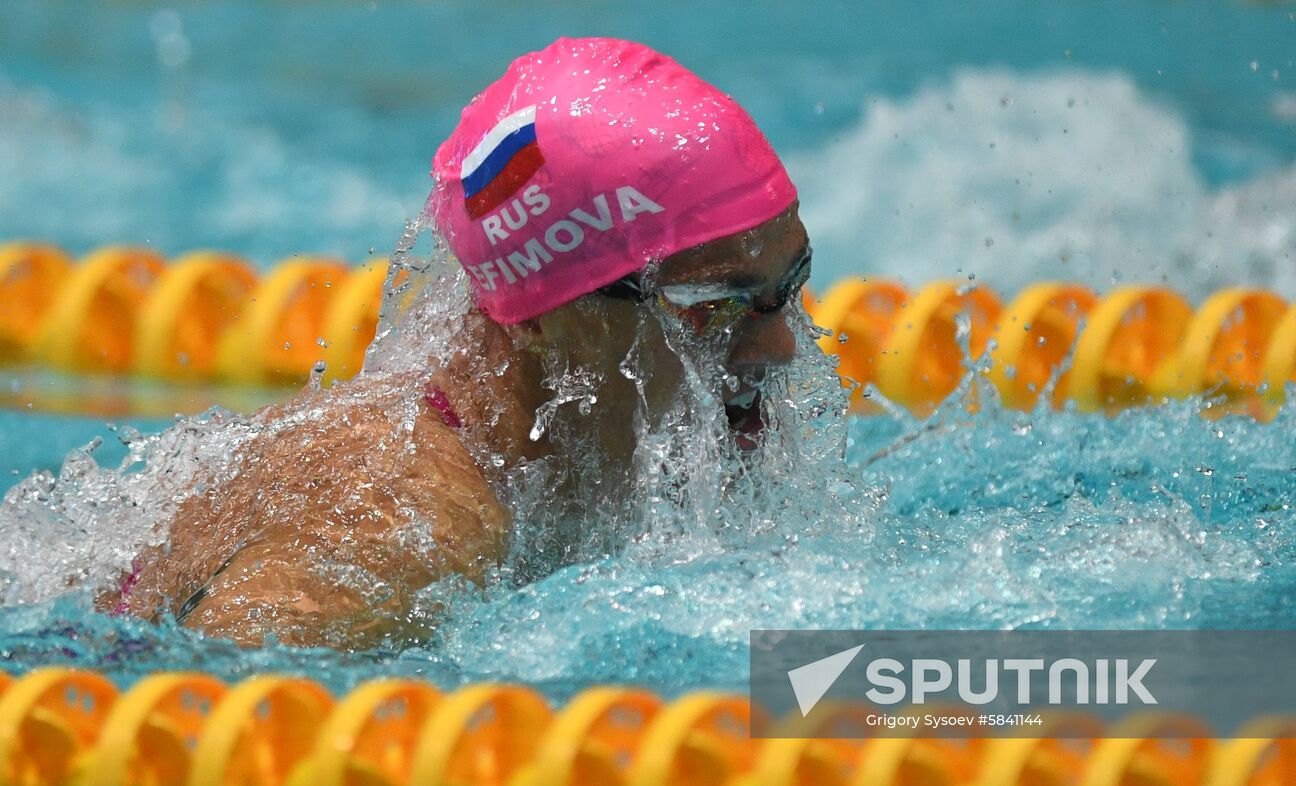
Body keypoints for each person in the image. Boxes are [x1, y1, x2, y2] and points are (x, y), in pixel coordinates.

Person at [99, 37, 813, 648]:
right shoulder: (401, 520)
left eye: (793, 280)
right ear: (540, 314)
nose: (779, 346)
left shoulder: (539, 470)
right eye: (712, 305)